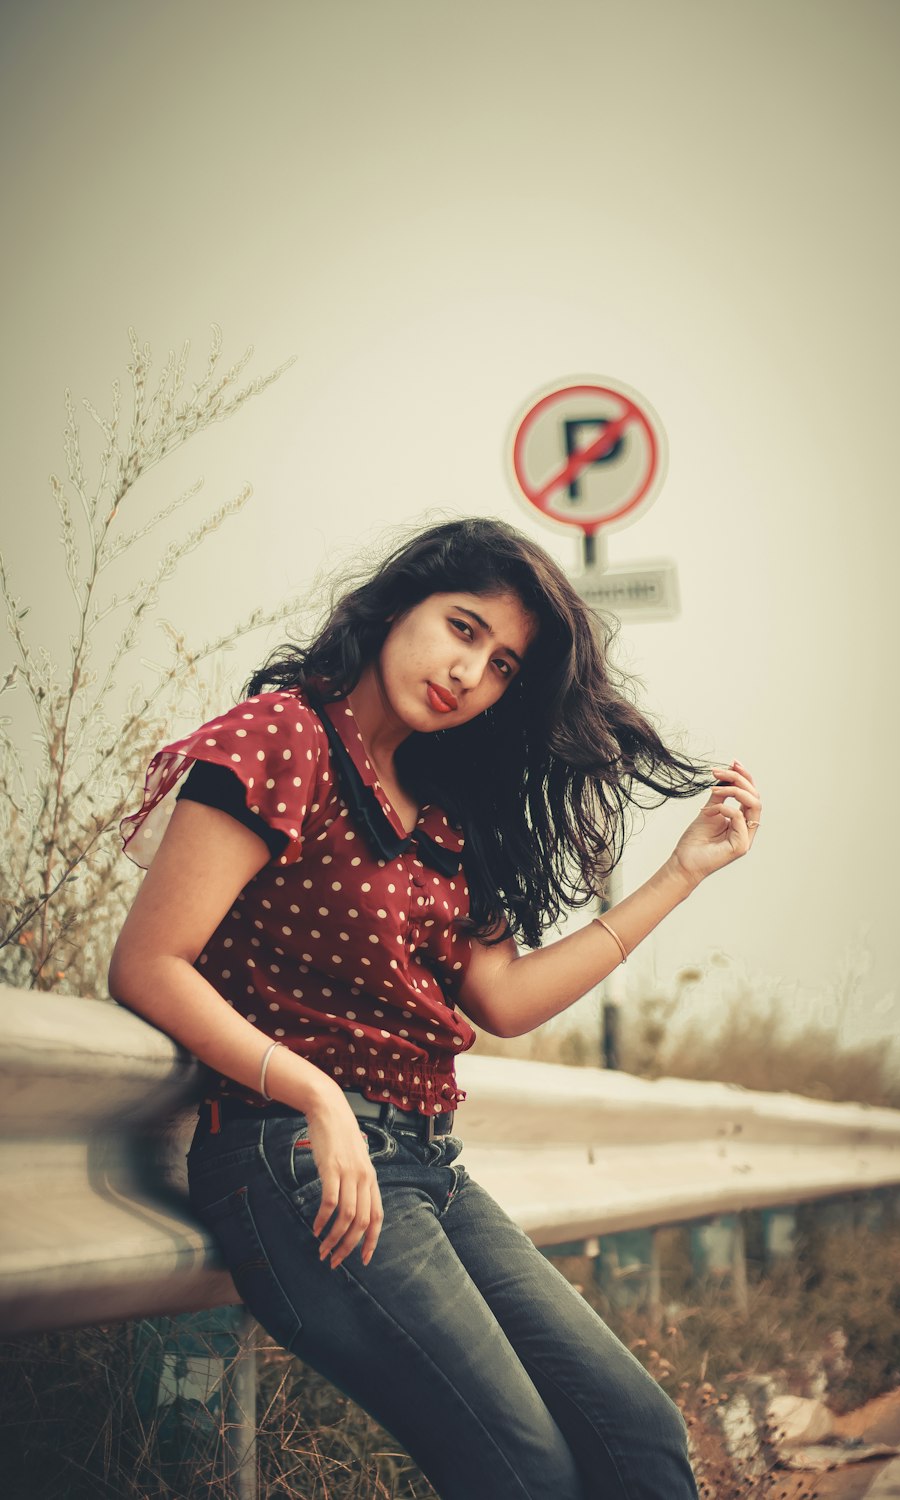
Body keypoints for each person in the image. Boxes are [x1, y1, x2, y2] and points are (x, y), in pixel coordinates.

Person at [111, 516, 761, 1500]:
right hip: (297, 1161)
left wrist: (680, 873)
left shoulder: (445, 809)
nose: (470, 674)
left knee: (635, 1431)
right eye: (462, 629)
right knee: (526, 1470)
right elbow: (151, 964)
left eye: (501, 665)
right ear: (396, 603)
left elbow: (501, 1000)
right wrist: (317, 1098)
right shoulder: (283, 739)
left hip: (426, 1165)